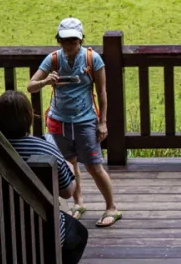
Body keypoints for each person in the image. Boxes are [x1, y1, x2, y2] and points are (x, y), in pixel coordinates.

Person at [0, 90, 85, 264]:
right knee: (78, 234)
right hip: (40, 228)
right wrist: (70, 168)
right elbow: (68, 192)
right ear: (28, 117)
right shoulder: (45, 148)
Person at [27, 17, 122, 228]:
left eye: (74, 41)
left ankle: (112, 207)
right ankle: (78, 203)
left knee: (93, 165)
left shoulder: (92, 59)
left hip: (85, 120)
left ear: (80, 40)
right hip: (58, 120)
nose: (69, 45)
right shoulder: (53, 60)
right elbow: (30, 86)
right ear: (58, 40)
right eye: (65, 40)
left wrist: (103, 122)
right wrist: (45, 81)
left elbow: (102, 91)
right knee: (69, 163)